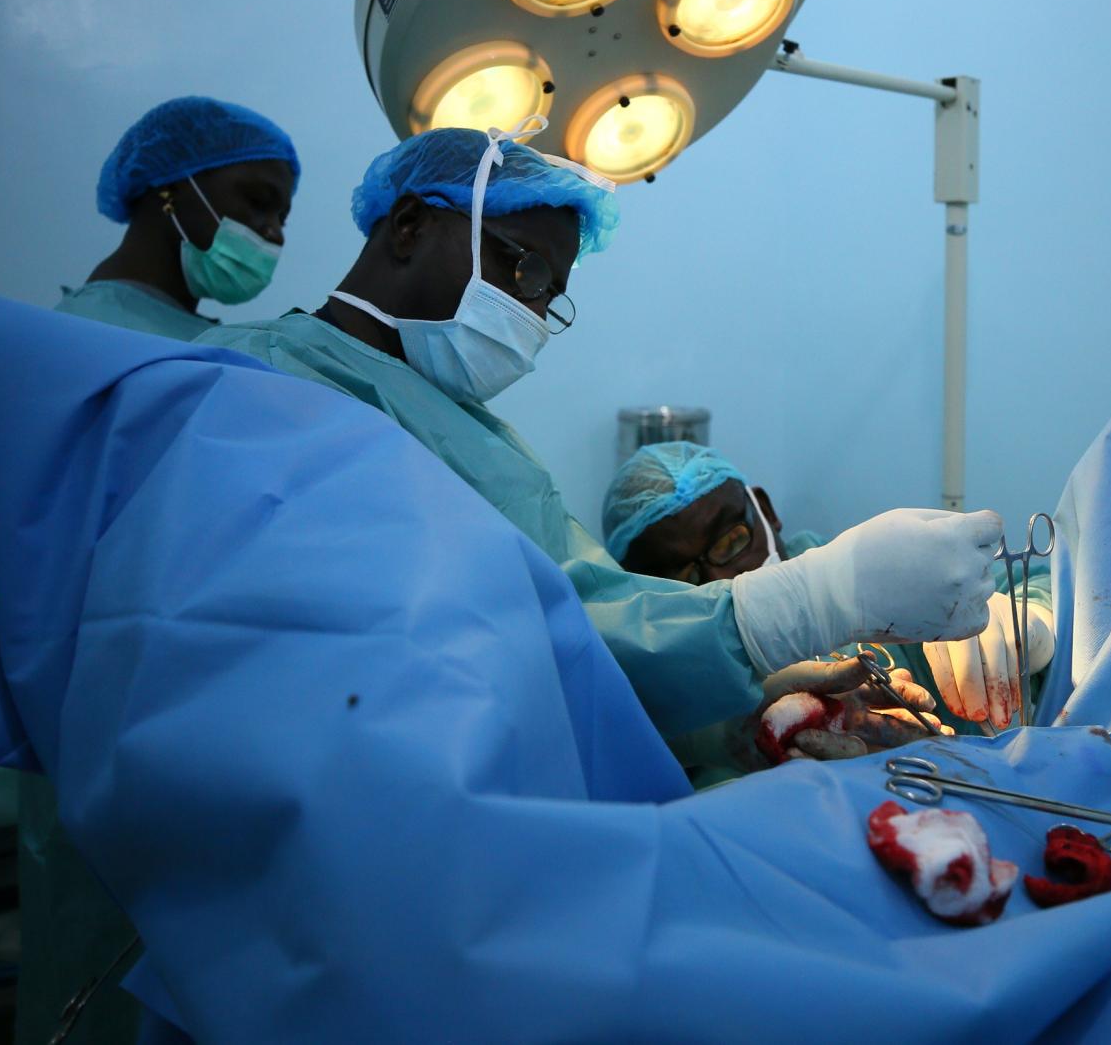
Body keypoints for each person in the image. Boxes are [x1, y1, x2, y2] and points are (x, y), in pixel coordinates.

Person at [0, 291, 1111, 1044]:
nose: (533, 301)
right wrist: (778, 685)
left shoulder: (454, 450)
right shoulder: (303, 471)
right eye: (523, 264)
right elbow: (570, 684)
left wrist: (1023, 633)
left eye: (733, 542)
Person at [197, 118, 1002, 745]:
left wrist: (753, 686)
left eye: (553, 295)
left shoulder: (469, 433)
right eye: (527, 270)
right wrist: (809, 600)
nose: (537, 313)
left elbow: (587, 611)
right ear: (409, 225)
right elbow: (518, 643)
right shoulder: (257, 386)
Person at [23, 95, 300, 1045]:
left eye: (281, 217)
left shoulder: (223, 355)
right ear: (166, 191)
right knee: (107, 990)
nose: (269, 234)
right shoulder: (71, 349)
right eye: (255, 201)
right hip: (123, 735)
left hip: (214, 732)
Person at [602, 440, 1055, 774]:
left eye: (732, 541)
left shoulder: (868, 577)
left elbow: (1054, 584)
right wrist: (740, 749)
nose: (720, 581)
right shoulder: (665, 687)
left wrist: (1029, 620)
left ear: (765, 510)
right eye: (681, 581)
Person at [56, 95, 300, 339]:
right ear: (171, 185)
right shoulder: (85, 335)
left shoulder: (205, 341)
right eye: (258, 201)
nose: (275, 232)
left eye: (282, 218)